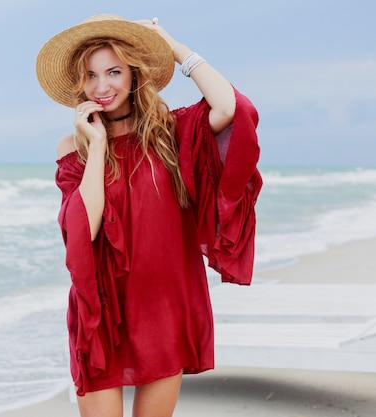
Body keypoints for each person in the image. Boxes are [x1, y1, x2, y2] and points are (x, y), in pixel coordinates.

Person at [35, 14, 262, 417]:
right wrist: (99, 144)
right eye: (91, 75)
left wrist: (174, 48)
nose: (101, 86)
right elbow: (81, 231)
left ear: (135, 74)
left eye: (114, 71)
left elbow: (231, 107)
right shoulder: (74, 145)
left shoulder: (172, 131)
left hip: (163, 306)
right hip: (102, 309)